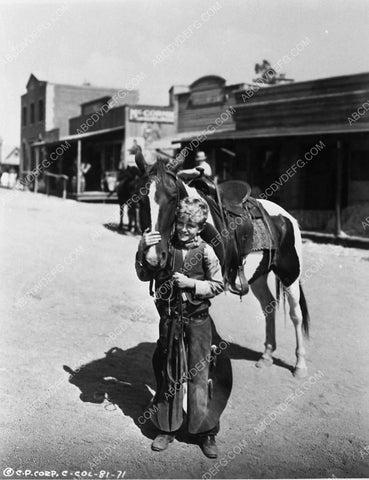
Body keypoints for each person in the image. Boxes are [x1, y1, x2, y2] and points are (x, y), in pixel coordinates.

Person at [135, 197, 232, 459]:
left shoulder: (207, 251)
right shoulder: (165, 247)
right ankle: (167, 427)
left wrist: (191, 284)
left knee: (199, 377)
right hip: (169, 322)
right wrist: (142, 247)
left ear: (200, 227)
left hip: (198, 322)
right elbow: (145, 274)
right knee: (170, 374)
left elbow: (218, 285)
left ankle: (205, 431)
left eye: (191, 225)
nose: (184, 228)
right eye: (181, 223)